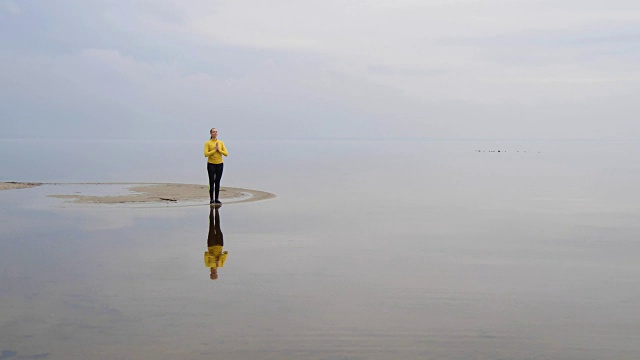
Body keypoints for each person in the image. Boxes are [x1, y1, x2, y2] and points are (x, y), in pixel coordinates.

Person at [204, 128, 228, 204]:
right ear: (211, 133)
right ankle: (211, 199)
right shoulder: (208, 143)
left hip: (219, 164)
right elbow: (206, 154)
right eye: (213, 132)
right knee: (211, 181)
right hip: (211, 164)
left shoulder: (221, 142)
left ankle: (217, 198)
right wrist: (214, 150)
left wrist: (219, 150)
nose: (215, 133)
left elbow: (226, 154)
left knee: (217, 181)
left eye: (216, 132)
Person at [204, 206, 227, 280]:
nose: (214, 273)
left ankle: (211, 210)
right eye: (215, 274)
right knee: (218, 226)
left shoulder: (208, 264)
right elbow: (226, 253)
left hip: (211, 244)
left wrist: (213, 258)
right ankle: (216, 210)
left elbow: (206, 254)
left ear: (211, 273)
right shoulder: (221, 264)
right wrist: (219, 258)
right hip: (220, 244)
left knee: (211, 226)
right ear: (217, 273)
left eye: (213, 274)